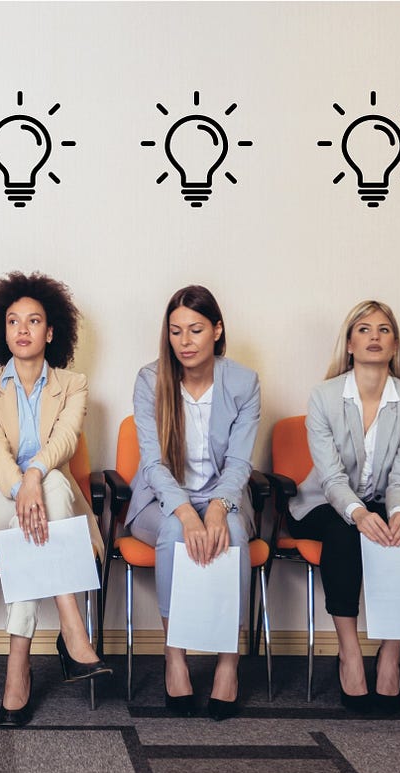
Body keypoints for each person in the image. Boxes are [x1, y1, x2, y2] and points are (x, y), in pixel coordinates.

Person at [0, 271, 110, 728]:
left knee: (53, 488)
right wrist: (24, 487)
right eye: (14, 321)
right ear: (2, 331)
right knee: (47, 497)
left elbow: (64, 440)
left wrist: (36, 475)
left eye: (34, 321)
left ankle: (17, 663)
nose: (23, 330)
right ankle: (71, 623)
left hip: (46, 503)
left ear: (51, 331)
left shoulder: (73, 385)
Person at [124, 285, 258, 721]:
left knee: (233, 535)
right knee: (172, 534)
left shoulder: (243, 382)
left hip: (225, 494)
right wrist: (185, 512)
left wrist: (218, 507)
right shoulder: (150, 380)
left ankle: (227, 663)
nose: (185, 341)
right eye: (176, 331)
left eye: (196, 330)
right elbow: (153, 463)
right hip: (161, 499)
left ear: (217, 331)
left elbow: (239, 462)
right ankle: (174, 656)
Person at [287, 300, 400, 715]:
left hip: (385, 501)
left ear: (395, 343)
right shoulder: (325, 397)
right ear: (349, 343)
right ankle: (349, 653)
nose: (374, 338)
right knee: (346, 531)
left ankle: (390, 655)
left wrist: (399, 514)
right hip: (323, 505)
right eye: (364, 330)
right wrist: (360, 514)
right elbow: (330, 478)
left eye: (384, 330)